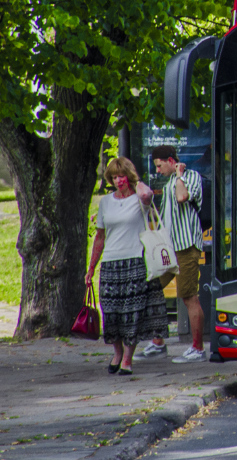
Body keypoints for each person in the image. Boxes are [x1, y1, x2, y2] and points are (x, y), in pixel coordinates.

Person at [85, 157, 169, 375]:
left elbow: (147, 194)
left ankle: (128, 359)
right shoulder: (105, 202)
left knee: (132, 313)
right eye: (114, 177)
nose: (118, 180)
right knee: (111, 313)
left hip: (135, 260)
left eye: (122, 176)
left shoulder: (139, 199)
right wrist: (91, 267)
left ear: (129, 177)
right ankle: (117, 352)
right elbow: (100, 236)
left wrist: (136, 181)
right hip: (111, 263)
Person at [136, 145, 207, 363]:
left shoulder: (190, 177)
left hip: (186, 247)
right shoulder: (167, 184)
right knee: (152, 288)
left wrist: (179, 176)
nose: (157, 171)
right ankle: (158, 343)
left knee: (189, 296)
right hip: (169, 248)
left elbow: (182, 197)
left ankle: (198, 348)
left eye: (159, 166)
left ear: (169, 160)